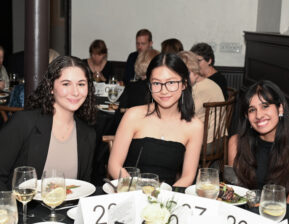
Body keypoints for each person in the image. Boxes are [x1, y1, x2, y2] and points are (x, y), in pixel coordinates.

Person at [0, 55, 96, 190]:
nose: (75, 92)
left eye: (81, 84)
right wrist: (8, 208)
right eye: (66, 84)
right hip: (21, 208)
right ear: (51, 87)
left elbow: (83, 188)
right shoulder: (24, 122)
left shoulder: (88, 133)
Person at [108, 53, 203, 187]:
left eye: (171, 82)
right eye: (157, 83)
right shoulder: (133, 115)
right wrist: (133, 189)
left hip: (167, 198)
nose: (163, 91)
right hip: (129, 191)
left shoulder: (194, 126)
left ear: (184, 84)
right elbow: (114, 165)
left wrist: (165, 199)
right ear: (149, 85)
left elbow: (188, 176)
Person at [228, 80, 289, 204]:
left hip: (277, 216)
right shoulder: (236, 143)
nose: (259, 115)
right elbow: (233, 193)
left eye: (265, 106)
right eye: (252, 110)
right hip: (242, 216)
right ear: (246, 116)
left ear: (280, 108)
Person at [178, 51, 224, 143]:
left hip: (208, 140)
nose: (181, 78)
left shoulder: (201, 88)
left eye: (184, 74)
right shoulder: (205, 83)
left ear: (194, 71)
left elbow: (185, 115)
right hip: (215, 136)